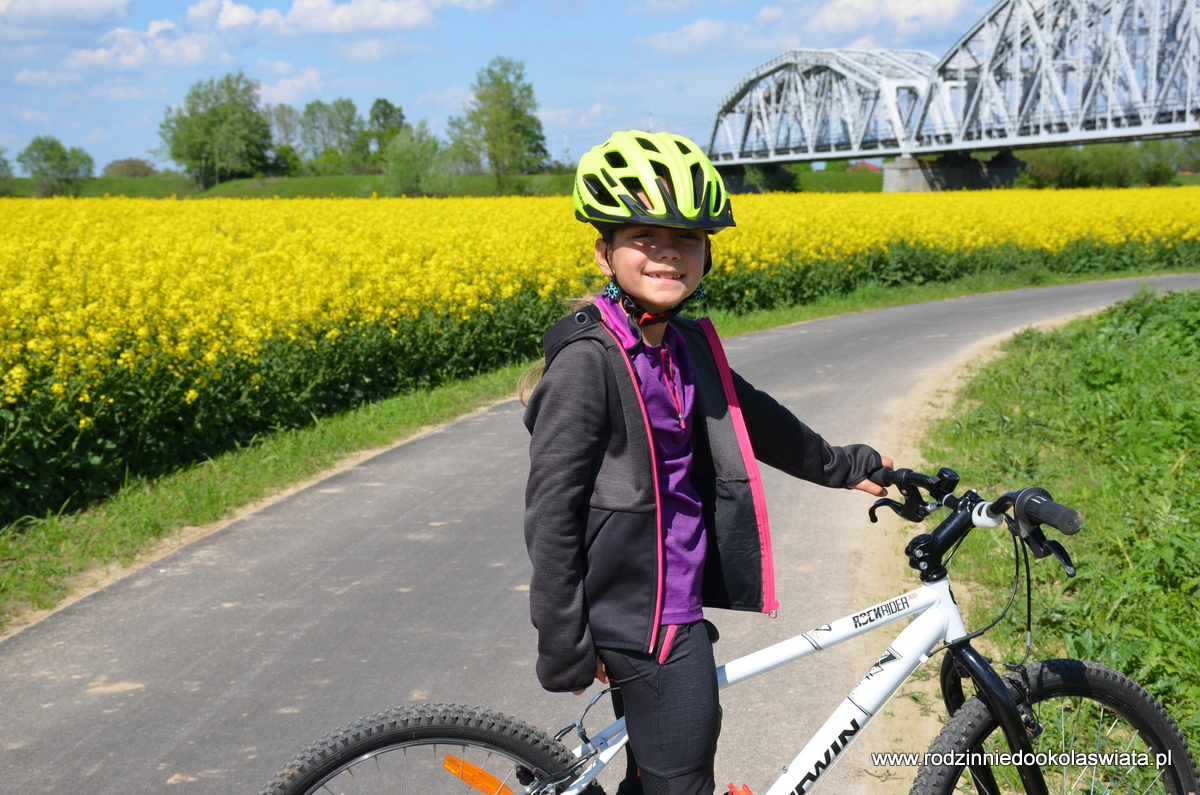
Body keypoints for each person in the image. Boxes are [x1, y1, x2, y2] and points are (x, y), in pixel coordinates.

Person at [521, 130, 892, 795]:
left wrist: (851, 465)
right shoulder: (589, 362)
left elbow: (760, 423)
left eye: (686, 239)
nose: (668, 252)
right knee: (682, 780)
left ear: (707, 255)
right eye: (644, 237)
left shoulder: (684, 343)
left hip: (672, 598)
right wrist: (564, 641)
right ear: (604, 251)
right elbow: (551, 509)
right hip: (645, 617)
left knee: (656, 774)